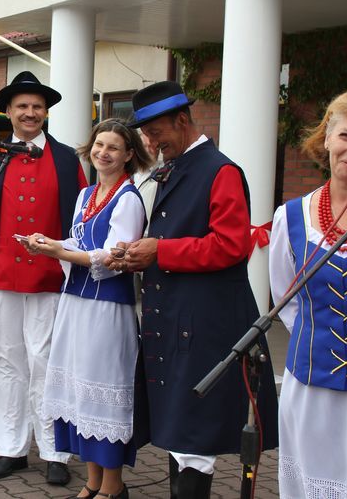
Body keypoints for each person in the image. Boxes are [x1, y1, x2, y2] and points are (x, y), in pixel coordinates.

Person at [109, 81, 278, 498]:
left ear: (182, 120)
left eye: (156, 131)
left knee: (195, 438)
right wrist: (140, 251)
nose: (151, 141)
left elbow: (231, 245)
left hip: (205, 320)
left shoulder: (219, 170)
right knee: (181, 433)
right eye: (145, 134)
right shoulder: (179, 165)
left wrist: (159, 250)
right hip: (179, 315)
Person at [0, 71, 87, 484]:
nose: (30, 113)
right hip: (1, 278)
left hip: (51, 278)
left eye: (37, 107)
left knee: (47, 362)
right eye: (22, 106)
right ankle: (10, 447)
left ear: (46, 113)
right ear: (9, 112)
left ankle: (54, 451)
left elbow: (82, 221)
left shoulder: (66, 159)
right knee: (6, 362)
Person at [26, 119, 152, 499]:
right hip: (76, 305)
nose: (103, 153)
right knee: (81, 393)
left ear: (129, 154)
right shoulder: (87, 195)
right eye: (99, 145)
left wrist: (58, 251)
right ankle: (92, 481)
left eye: (113, 147)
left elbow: (114, 256)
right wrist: (50, 242)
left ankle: (112, 487)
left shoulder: (128, 199)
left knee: (102, 393)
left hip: (107, 310)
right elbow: (77, 241)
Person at [269, 88, 347, 498]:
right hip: (310, 386)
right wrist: (322, 337)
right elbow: (285, 297)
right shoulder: (291, 216)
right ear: (327, 138)